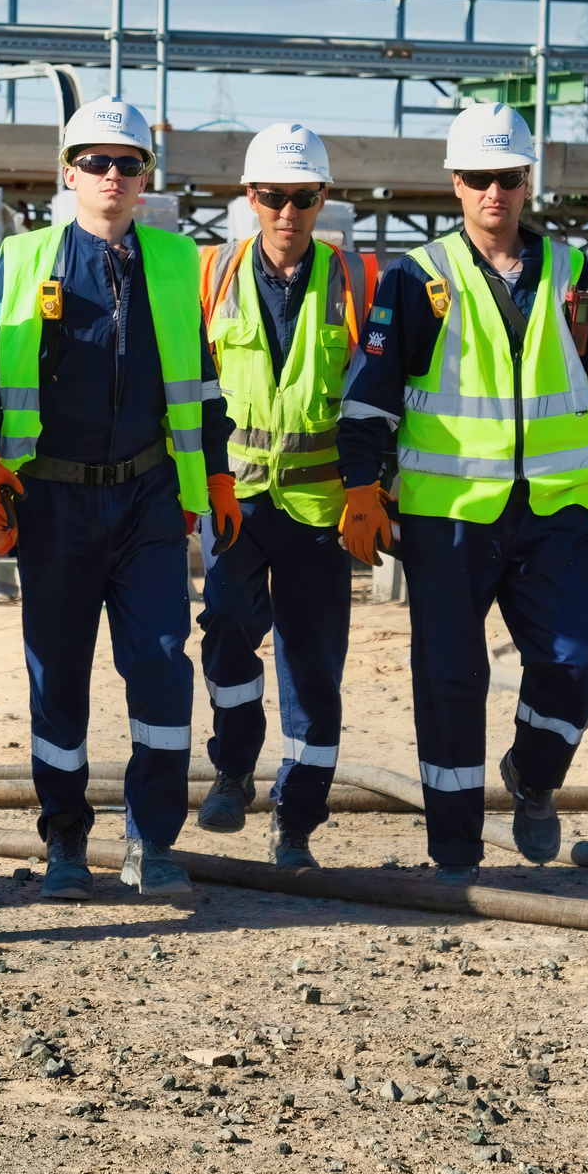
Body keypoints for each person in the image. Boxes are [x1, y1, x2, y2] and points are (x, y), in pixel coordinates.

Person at [337, 102, 588, 883]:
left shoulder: (573, 274)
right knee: (450, 681)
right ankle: (454, 853)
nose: (493, 194)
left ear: (525, 181)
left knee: (581, 655)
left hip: (550, 510)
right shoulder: (419, 277)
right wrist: (361, 486)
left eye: (507, 178)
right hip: (450, 518)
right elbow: (371, 392)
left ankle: (535, 775)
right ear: (456, 183)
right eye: (478, 178)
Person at [0, 97, 239, 899]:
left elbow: (204, 384)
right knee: (59, 677)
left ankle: (151, 838)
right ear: (67, 172)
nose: (112, 176)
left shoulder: (180, 264)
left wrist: (214, 473)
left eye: (129, 162)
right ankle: (66, 841)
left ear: (147, 175)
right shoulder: (22, 260)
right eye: (96, 162)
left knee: (158, 666)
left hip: (148, 499)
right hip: (51, 501)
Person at [191, 124, 370, 867]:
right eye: (273, 197)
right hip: (234, 499)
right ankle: (233, 769)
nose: (288, 212)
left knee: (313, 663)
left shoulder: (357, 281)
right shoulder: (211, 276)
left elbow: (380, 396)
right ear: (249, 197)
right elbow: (187, 387)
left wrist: (372, 490)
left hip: (322, 509)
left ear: (323, 198)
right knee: (228, 630)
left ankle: (296, 819)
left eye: (302, 197)